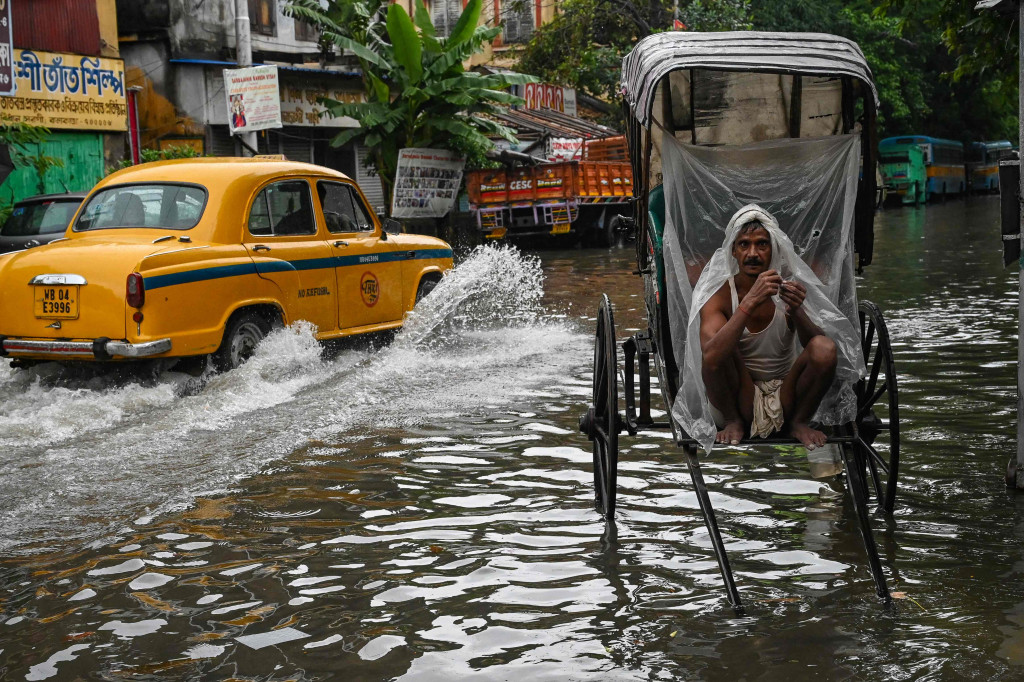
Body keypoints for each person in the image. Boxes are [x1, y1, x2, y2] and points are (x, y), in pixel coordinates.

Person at [698, 206, 838, 450]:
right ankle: (732, 422)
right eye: (744, 245)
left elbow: (819, 350)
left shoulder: (788, 288)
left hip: (787, 395)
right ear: (733, 250)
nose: (752, 254)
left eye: (762, 244)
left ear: (774, 248)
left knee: (825, 347)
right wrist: (750, 302)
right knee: (721, 345)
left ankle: (799, 423)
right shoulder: (720, 296)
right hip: (738, 400)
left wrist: (797, 311)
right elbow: (711, 358)